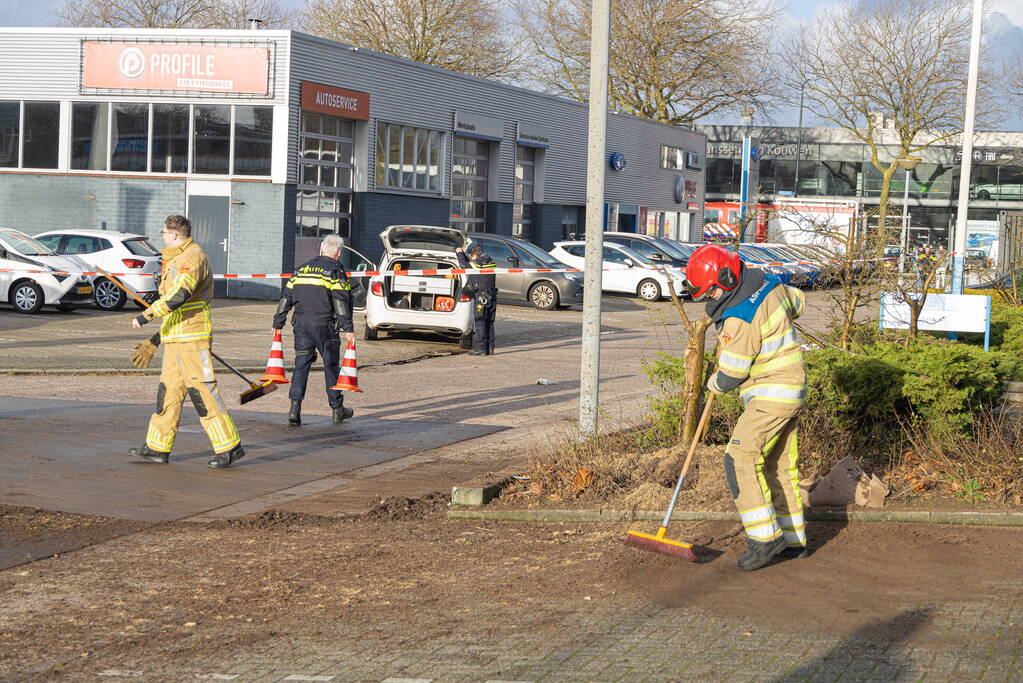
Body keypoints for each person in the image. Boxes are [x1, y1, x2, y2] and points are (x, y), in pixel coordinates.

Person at [685, 243, 808, 571]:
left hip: (770, 396)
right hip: (793, 389)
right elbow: (800, 303)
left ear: (725, 280)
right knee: (779, 467)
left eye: (709, 292)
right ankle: (794, 541)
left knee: (739, 459)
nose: (707, 299)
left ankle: (765, 540)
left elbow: (733, 374)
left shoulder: (739, 316)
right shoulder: (771, 285)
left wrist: (714, 382)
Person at [127, 215, 245, 469]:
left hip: (193, 340)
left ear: (173, 235)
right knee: (168, 394)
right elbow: (176, 308)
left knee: (203, 393)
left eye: (163, 234)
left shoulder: (192, 257)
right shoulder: (176, 257)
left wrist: (146, 316)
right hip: (176, 339)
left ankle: (230, 447)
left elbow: (180, 294)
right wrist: (156, 339)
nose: (162, 238)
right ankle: (157, 447)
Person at [272, 234, 355, 426]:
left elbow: (286, 297)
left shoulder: (301, 270)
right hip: (325, 327)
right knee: (331, 366)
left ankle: (294, 409)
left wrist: (278, 323)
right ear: (339, 253)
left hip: (301, 326)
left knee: (301, 365)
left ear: (321, 249)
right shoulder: (334, 272)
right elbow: (340, 302)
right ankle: (337, 409)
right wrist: (348, 328)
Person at [455, 244, 497, 356]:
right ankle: (490, 348)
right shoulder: (490, 261)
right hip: (492, 295)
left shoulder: (476, 264)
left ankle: (481, 349)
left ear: (474, 255)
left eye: (471, 256)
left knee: (480, 322)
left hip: (481, 297)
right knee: (489, 322)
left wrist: (459, 252)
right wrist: (464, 254)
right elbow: (471, 264)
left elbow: (464, 265)